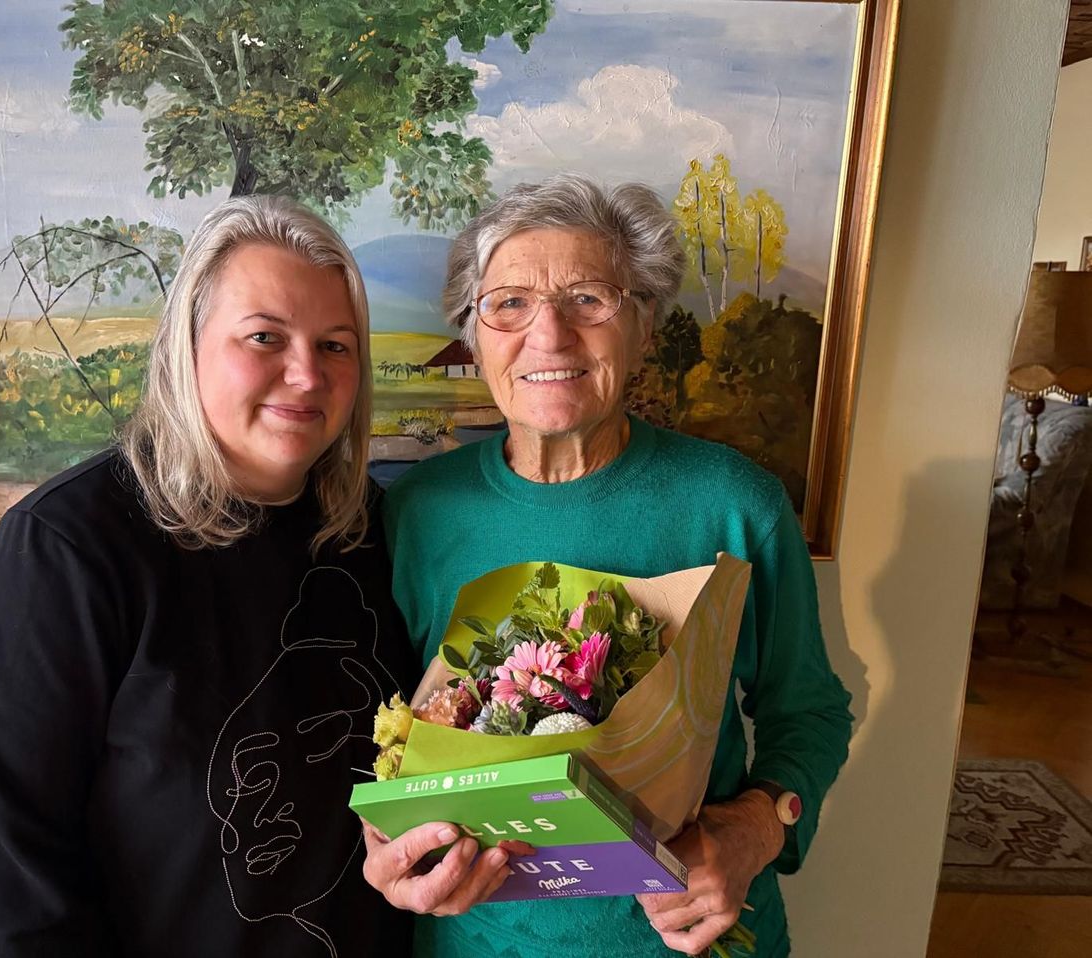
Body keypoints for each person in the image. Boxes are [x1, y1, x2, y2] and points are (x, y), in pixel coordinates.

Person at [365, 174, 853, 957]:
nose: (549, 335)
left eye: (589, 298)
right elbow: (384, 737)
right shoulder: (415, 512)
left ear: (645, 324)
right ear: (474, 332)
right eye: (509, 304)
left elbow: (811, 711)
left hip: (688, 942)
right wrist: (385, 842)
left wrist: (758, 827)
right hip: (481, 944)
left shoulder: (736, 505)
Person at [0, 195, 418, 958]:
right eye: (264, 337)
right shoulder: (66, 549)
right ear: (185, 347)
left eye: (336, 345)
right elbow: (1, 877)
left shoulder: (377, 534)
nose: (305, 374)